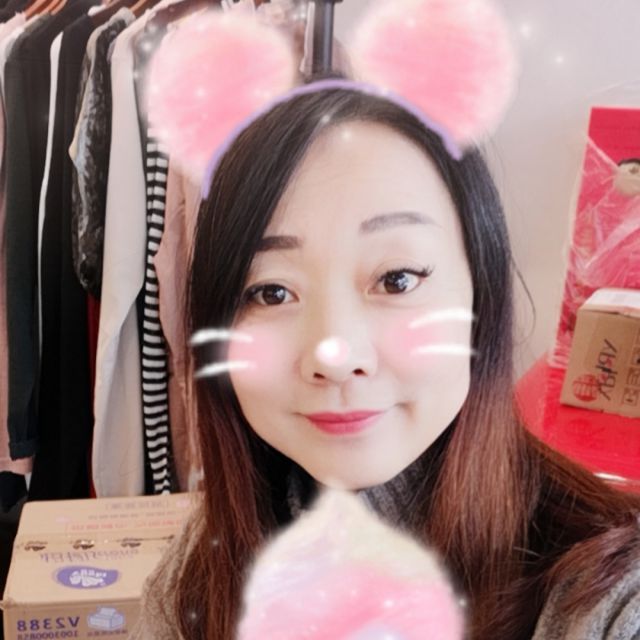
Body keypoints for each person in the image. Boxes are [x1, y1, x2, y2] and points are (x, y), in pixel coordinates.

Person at [127, 87, 640, 640]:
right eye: (271, 292)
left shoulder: (607, 595)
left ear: (480, 296)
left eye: (396, 280)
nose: (335, 355)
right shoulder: (202, 565)